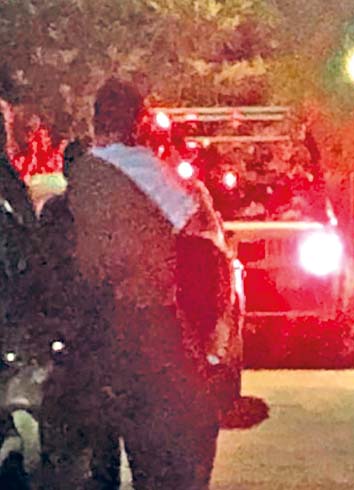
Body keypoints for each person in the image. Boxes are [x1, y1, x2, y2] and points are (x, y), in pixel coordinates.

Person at [64, 78, 236, 489]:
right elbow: (194, 226)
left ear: (96, 119)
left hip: (89, 327)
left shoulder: (80, 174)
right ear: (137, 121)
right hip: (147, 321)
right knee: (165, 441)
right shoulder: (144, 167)